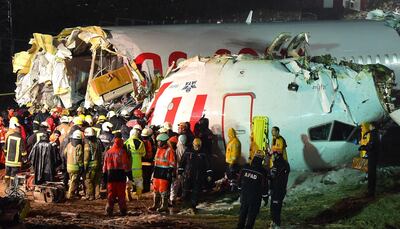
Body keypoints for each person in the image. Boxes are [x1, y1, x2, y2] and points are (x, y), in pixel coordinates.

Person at [103, 133, 133, 216]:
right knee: (121, 195)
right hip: (121, 175)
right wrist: (130, 176)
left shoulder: (108, 152)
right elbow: (126, 165)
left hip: (110, 175)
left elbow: (104, 166)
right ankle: (123, 211)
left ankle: (109, 210)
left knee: (110, 194)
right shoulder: (122, 152)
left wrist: (104, 177)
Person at [179, 138, 212, 213]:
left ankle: (193, 206)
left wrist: (209, 174)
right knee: (186, 190)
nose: (197, 147)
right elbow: (182, 162)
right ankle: (185, 205)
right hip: (188, 174)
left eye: (199, 146)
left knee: (196, 191)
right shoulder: (188, 151)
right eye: (196, 145)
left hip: (199, 175)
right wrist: (180, 172)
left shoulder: (204, 153)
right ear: (193, 144)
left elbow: (208, 164)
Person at [237, 151, 269, 229]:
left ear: (254, 157)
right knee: (252, 215)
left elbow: (239, 180)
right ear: (262, 159)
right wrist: (265, 197)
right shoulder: (262, 172)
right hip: (255, 198)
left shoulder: (245, 167)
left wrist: (240, 189)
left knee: (243, 212)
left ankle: (239, 227)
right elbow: (264, 186)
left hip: (244, 195)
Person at [269, 126, 290, 228]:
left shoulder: (280, 139)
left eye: (274, 130)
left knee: (277, 200)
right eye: (271, 130)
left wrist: (274, 155)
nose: (272, 132)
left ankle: (276, 222)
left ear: (278, 131)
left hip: (282, 165)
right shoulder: (273, 140)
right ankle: (274, 221)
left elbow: (279, 151)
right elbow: (274, 152)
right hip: (277, 164)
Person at [149, 133, 176, 212]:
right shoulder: (158, 149)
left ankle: (164, 206)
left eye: (159, 141)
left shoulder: (170, 150)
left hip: (164, 172)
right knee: (156, 188)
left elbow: (172, 163)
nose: (158, 143)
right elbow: (156, 161)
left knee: (163, 189)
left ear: (164, 142)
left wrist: (169, 172)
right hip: (157, 171)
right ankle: (155, 205)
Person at [124, 128, 146, 200]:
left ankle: (128, 188)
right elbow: (143, 154)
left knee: (129, 179)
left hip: (128, 165)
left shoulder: (126, 142)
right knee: (139, 180)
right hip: (138, 166)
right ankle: (138, 196)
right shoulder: (141, 143)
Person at [4, 123, 26, 188]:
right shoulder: (20, 138)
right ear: (19, 130)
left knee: (7, 174)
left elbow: (5, 148)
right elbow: (23, 151)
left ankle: (7, 185)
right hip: (16, 162)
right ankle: (13, 187)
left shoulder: (9, 136)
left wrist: (6, 156)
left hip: (8, 160)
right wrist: (25, 159)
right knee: (14, 174)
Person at [83, 127, 104, 200]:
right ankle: (97, 195)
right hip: (98, 164)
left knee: (88, 180)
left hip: (91, 166)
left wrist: (84, 167)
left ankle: (90, 195)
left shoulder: (87, 144)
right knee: (97, 180)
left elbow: (86, 157)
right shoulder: (98, 142)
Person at [361, 122, 380, 197]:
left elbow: (371, 145)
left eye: (370, 126)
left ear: (373, 126)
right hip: (373, 155)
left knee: (371, 174)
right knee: (372, 173)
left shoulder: (373, 134)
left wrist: (364, 147)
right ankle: (371, 191)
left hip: (372, 156)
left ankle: (370, 192)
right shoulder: (375, 133)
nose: (369, 127)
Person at [64, 130, 84, 199]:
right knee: (74, 182)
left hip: (68, 166)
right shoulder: (79, 146)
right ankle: (70, 195)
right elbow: (79, 157)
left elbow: (65, 153)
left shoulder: (69, 144)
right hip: (75, 167)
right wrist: (81, 165)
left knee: (71, 180)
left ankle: (74, 193)